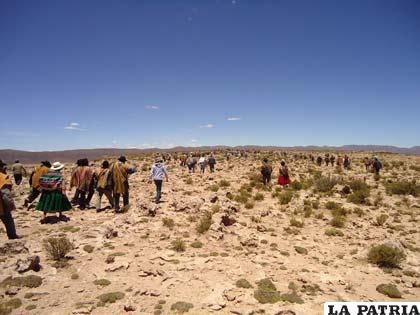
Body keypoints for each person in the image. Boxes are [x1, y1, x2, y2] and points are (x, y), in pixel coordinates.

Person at [0, 160, 20, 239]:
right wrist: (11, 206)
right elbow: (6, 194)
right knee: (8, 220)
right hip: (1, 206)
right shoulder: (3, 177)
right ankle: (13, 237)